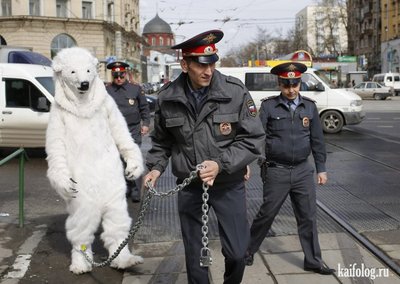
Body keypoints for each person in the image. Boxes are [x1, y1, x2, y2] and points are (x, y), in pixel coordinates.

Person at [143, 30, 265, 284]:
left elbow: (253, 139)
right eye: (201, 64)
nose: (208, 71)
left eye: (212, 63)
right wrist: (155, 167)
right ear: (185, 64)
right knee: (196, 253)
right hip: (190, 186)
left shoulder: (234, 92)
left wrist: (220, 164)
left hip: (228, 183)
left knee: (238, 253)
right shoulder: (168, 97)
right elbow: (162, 140)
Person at [245, 62, 335, 275]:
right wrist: (246, 164)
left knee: (308, 216)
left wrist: (321, 168)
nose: (291, 90)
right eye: (286, 85)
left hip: (303, 171)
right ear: (279, 84)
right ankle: (246, 252)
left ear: (300, 84)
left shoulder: (310, 107)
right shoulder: (268, 107)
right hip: (277, 171)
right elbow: (257, 138)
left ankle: (313, 260)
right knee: (266, 214)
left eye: (295, 85)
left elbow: (317, 141)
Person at [106, 61, 150, 202]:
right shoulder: (107, 90)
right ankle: (126, 187)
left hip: (132, 129)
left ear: (126, 74)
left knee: (132, 159)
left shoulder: (135, 89)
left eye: (121, 75)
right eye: (116, 75)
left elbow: (144, 107)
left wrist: (146, 124)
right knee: (118, 160)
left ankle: (136, 190)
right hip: (114, 131)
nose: (119, 78)